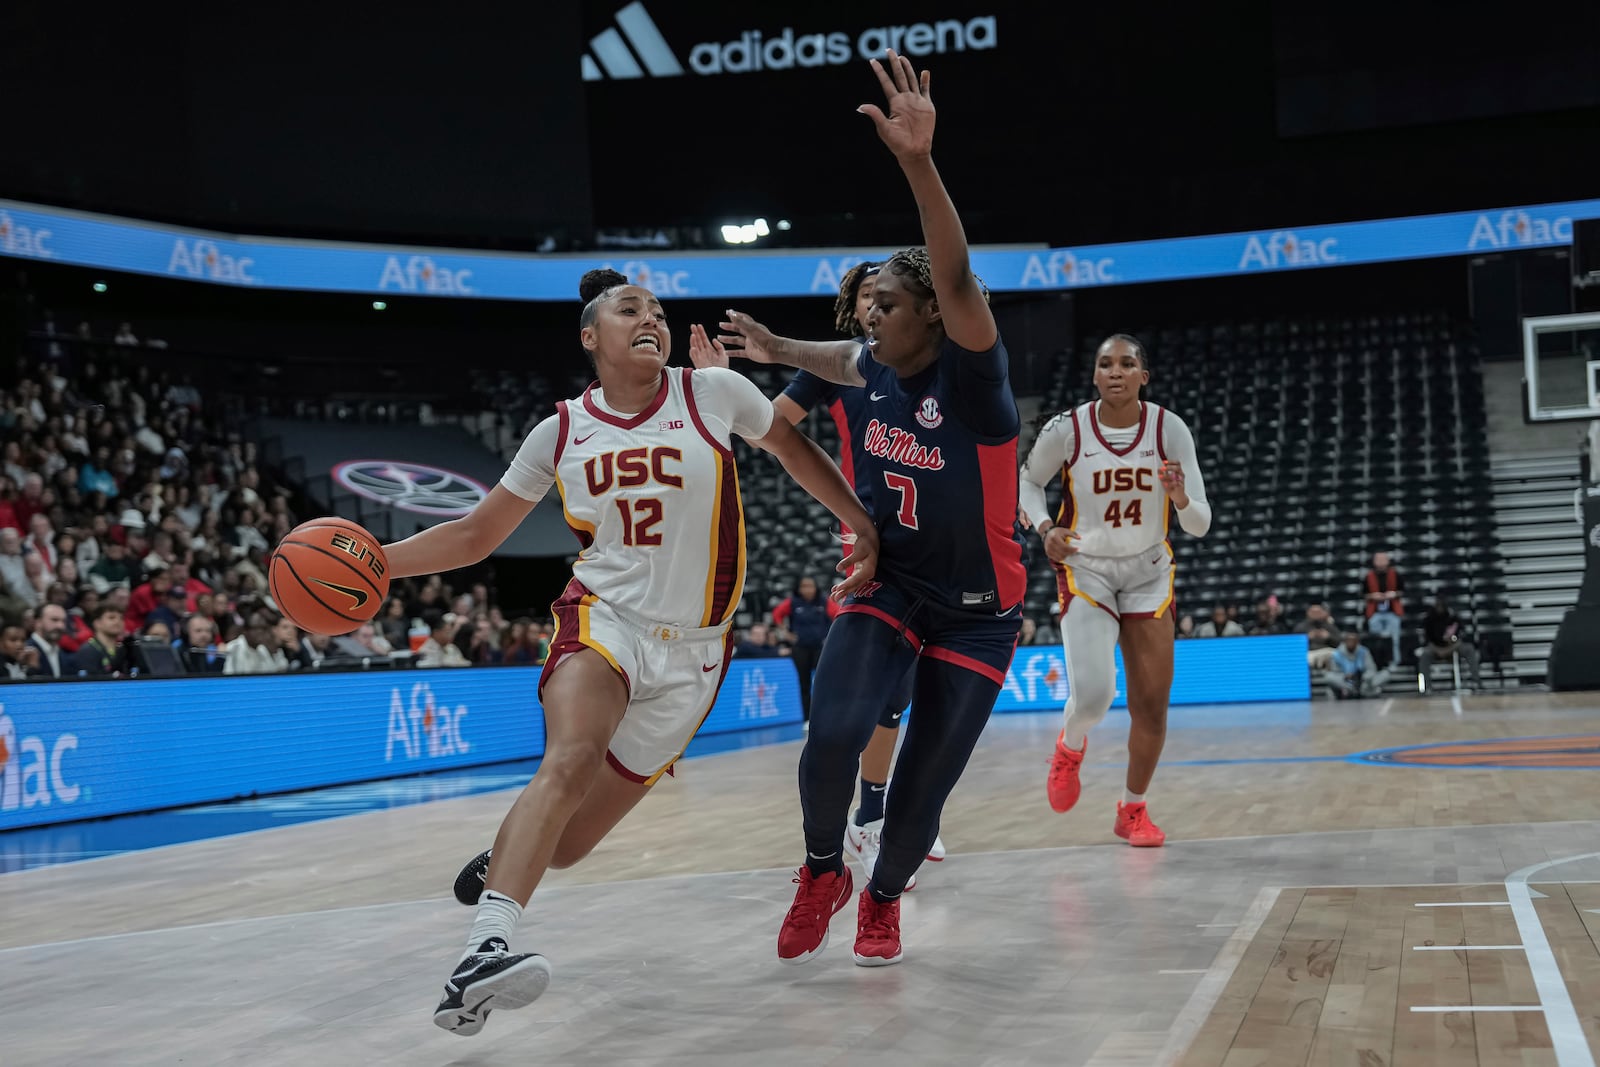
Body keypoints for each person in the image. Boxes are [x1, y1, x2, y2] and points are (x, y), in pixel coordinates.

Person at [406, 268, 877, 1036]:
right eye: (630, 309)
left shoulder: (713, 394)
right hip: (605, 618)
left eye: (657, 309)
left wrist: (864, 525)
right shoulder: (559, 429)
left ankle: (506, 857)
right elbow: (474, 534)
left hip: (694, 655)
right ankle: (480, 954)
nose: (650, 317)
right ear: (591, 335)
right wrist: (376, 561)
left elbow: (795, 452)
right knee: (570, 759)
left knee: (569, 844)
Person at [712, 50, 1026, 967]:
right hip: (891, 579)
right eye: (868, 307)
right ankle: (822, 868)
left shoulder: (977, 384)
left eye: (887, 304)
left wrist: (918, 164)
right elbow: (830, 360)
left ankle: (882, 895)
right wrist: (772, 345)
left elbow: (958, 279)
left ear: (932, 314)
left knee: (924, 787)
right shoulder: (871, 365)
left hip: (981, 608)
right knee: (836, 730)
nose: (871, 318)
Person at [692, 257, 945, 879]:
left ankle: (874, 815)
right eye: (865, 295)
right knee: (883, 688)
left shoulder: (939, 362)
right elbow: (768, 430)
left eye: (885, 294)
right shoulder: (837, 366)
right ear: (851, 310)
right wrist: (728, 388)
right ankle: (871, 820)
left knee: (908, 694)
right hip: (872, 534)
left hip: (940, 539)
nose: (874, 303)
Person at [1019, 332, 1213, 848]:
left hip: (1149, 571)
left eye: (1128, 363)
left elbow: (1199, 524)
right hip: (1088, 569)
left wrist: (1179, 496)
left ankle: (1132, 810)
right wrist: (1043, 529)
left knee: (1152, 706)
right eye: (1106, 363)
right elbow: (1027, 482)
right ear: (1095, 375)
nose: (1117, 372)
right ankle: (1070, 744)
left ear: (1143, 376)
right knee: (1097, 696)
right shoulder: (1068, 429)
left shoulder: (1169, 429)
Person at [770, 576, 839, 719]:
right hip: (800, 648)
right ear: (799, 589)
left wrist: (831, 637)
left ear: (816, 588)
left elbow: (838, 616)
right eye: (804, 586)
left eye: (810, 586)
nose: (807, 589)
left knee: (824, 682)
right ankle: (807, 719)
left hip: (820, 648)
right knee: (804, 684)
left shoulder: (824, 601)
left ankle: (826, 716)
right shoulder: (793, 603)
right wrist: (785, 633)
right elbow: (776, 615)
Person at [1417, 595, 1481, 692]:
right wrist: (1438, 650)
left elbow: (1461, 635)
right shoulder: (1428, 619)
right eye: (1437, 605)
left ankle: (1476, 682)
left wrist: (1451, 645)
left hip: (1453, 647)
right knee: (1424, 655)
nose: (1439, 608)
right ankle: (1426, 687)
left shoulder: (1453, 617)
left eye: (1441, 606)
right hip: (1436, 648)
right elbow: (1427, 639)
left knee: (1469, 649)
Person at [1362, 550, 1405, 666]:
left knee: (1394, 639)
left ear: (1388, 561)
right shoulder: (1368, 576)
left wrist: (1393, 594)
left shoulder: (1395, 574)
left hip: (1392, 611)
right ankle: (1377, 663)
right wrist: (1373, 596)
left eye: (1383, 559)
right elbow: (1364, 594)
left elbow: (1402, 591)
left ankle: (1395, 663)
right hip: (1375, 612)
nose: (1381, 562)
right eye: (1378, 560)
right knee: (1376, 640)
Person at [1324, 631, 1388, 698]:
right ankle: (1352, 691)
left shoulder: (1364, 652)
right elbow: (1335, 671)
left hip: (1364, 681)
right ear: (1345, 642)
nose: (1351, 643)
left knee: (1385, 674)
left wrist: (1364, 677)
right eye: (1349, 641)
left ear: (1357, 642)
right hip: (1346, 682)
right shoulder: (1337, 654)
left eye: (1353, 641)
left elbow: (1371, 669)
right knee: (1329, 677)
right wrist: (1345, 676)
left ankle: (1364, 691)